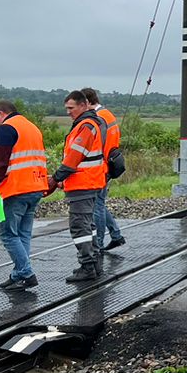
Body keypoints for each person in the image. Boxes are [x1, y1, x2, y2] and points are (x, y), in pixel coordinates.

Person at [0, 100, 49, 292]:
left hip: (16, 189)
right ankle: (19, 274)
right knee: (23, 234)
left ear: (1, 113)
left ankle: (26, 272)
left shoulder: (7, 129)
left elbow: (0, 165)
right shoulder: (32, 128)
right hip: (36, 187)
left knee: (8, 234)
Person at [50, 89, 108, 283]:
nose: (68, 112)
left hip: (83, 183)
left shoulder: (86, 126)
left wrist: (56, 177)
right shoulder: (88, 124)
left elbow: (74, 157)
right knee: (88, 225)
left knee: (79, 225)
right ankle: (94, 263)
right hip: (87, 181)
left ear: (83, 105)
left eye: (71, 108)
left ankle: (87, 266)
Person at [82, 87, 125, 252]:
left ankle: (98, 244)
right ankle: (116, 235)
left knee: (96, 206)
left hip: (102, 166)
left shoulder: (98, 118)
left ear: (86, 103)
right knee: (99, 203)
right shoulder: (108, 115)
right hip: (110, 163)